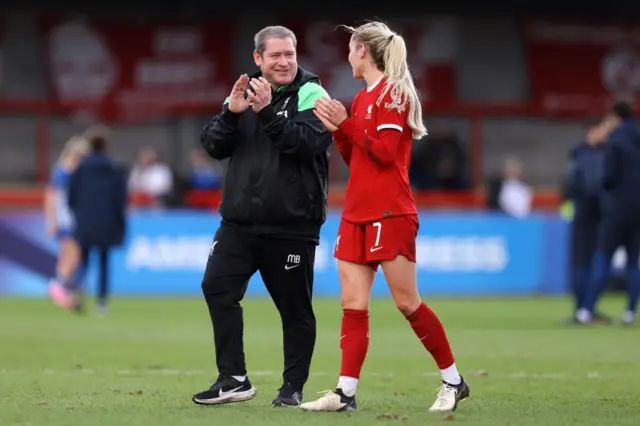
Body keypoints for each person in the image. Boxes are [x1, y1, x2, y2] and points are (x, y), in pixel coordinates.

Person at [300, 21, 469, 413]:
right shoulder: (361, 100)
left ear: (363, 51)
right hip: (357, 212)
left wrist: (347, 124)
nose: (347, 54)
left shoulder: (392, 94)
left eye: (350, 47)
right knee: (352, 304)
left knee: (408, 303)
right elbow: (359, 158)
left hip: (390, 213)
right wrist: (339, 130)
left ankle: (453, 381)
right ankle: (344, 393)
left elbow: (386, 153)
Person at [192, 25, 333, 408]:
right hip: (238, 223)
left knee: (294, 309)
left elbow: (306, 145)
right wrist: (232, 115)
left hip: (291, 226)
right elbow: (212, 145)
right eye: (275, 55)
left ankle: (292, 388)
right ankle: (233, 378)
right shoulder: (245, 91)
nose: (284, 61)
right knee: (216, 287)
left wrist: (266, 111)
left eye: (289, 54)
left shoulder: (312, 93)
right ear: (258, 58)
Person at [48, 126, 128, 314]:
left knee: (82, 259)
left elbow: (71, 197)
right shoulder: (115, 168)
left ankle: (77, 292)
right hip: (106, 222)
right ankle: (101, 301)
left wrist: (79, 215)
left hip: (83, 222)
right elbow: (120, 199)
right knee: (103, 261)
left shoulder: (80, 170)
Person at [577, 102, 640, 325]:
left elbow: (608, 177)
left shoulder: (615, 142)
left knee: (603, 257)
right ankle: (630, 312)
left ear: (615, 117)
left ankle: (586, 310)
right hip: (638, 210)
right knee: (634, 263)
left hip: (617, 210)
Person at [562, 120, 611, 324]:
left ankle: (583, 309)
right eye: (604, 129)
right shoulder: (591, 156)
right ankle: (585, 310)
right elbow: (593, 187)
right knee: (586, 263)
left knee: (581, 263)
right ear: (592, 130)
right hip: (590, 216)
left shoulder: (579, 155)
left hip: (580, 213)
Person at [45, 136, 89, 303]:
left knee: (71, 254)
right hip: (66, 219)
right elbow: (51, 197)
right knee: (72, 254)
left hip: (72, 218)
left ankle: (63, 287)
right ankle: (58, 286)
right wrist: (52, 220)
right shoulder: (62, 172)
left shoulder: (70, 173)